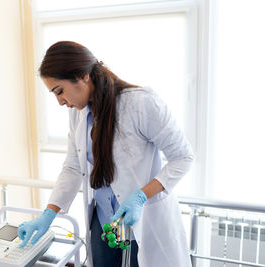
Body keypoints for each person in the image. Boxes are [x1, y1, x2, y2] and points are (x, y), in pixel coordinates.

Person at [17, 41, 194, 267]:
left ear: (82, 76)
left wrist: (140, 196)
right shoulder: (79, 114)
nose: (60, 102)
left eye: (59, 91)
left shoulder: (140, 103)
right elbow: (73, 167)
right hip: (103, 224)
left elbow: (183, 157)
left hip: (142, 221)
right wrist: (48, 214)